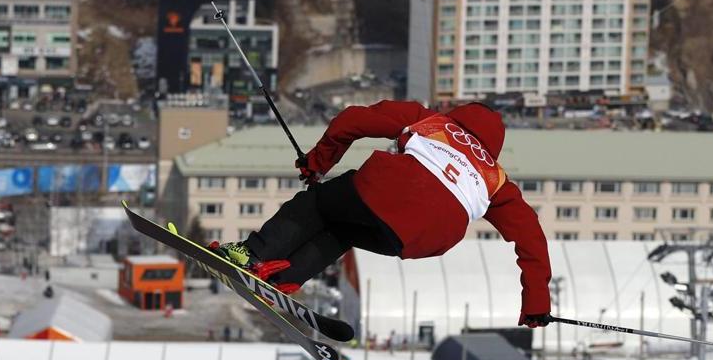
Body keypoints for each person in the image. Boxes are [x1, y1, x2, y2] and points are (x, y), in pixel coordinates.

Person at [207, 100, 552, 328]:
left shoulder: (433, 121)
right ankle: (283, 278)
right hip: (423, 238)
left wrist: (318, 163)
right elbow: (531, 238)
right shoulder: (497, 181)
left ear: (459, 116)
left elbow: (354, 119)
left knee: (316, 205)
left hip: (388, 190)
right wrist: (536, 301)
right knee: (343, 231)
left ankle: (252, 254)